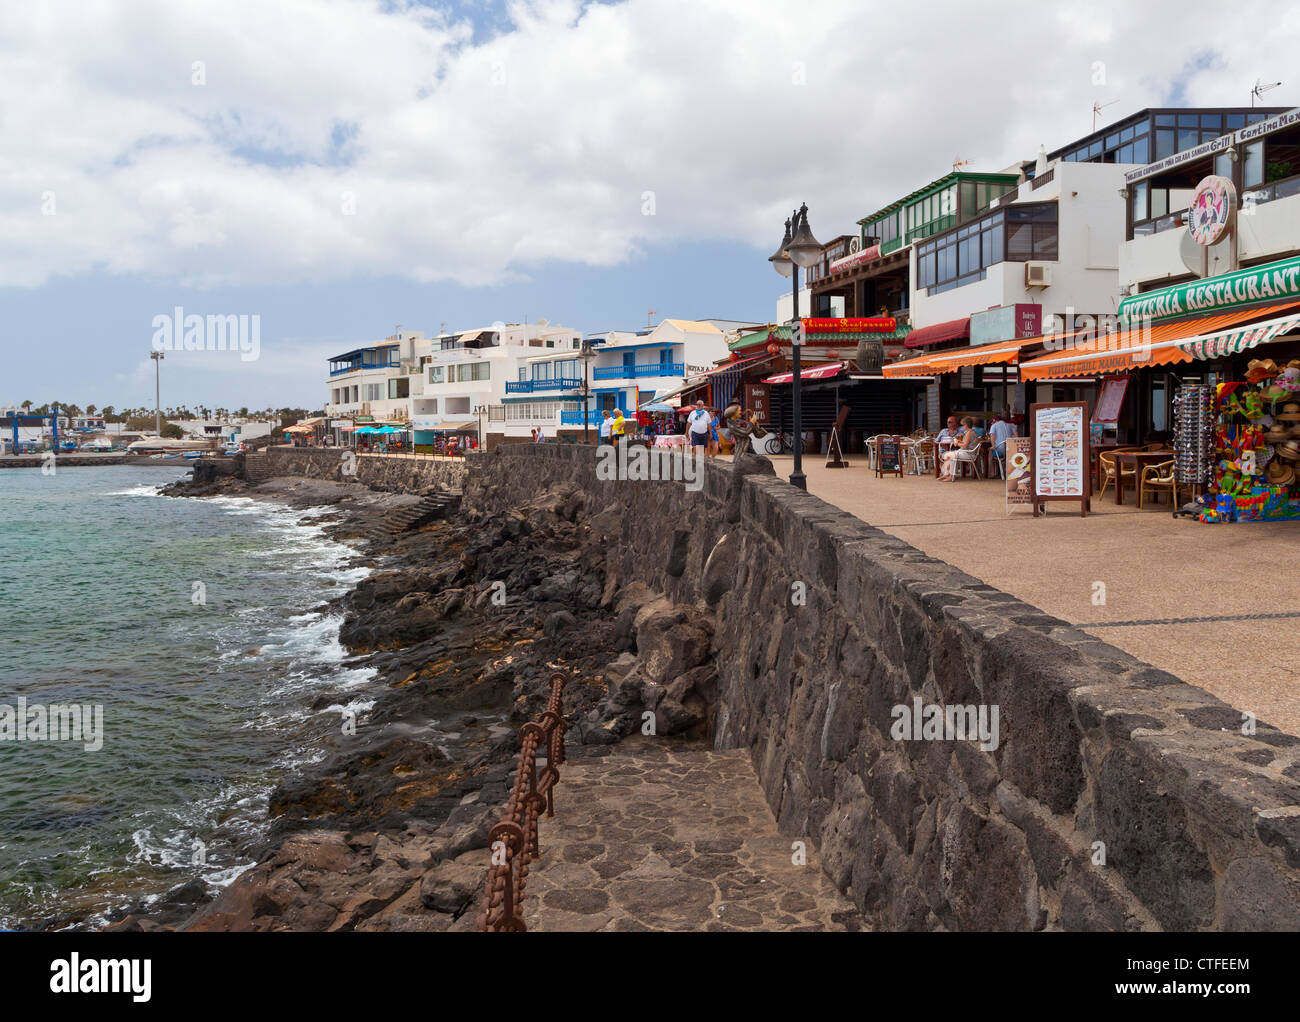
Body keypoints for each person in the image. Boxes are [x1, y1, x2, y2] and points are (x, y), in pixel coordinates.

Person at [938, 416, 976, 481]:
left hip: (969, 453)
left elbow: (964, 445)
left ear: (966, 425)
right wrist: (958, 441)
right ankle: (947, 474)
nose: (962, 427)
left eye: (963, 425)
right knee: (948, 455)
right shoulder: (969, 432)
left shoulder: (969, 432)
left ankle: (951, 476)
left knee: (950, 455)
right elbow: (965, 442)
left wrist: (957, 443)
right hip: (966, 452)